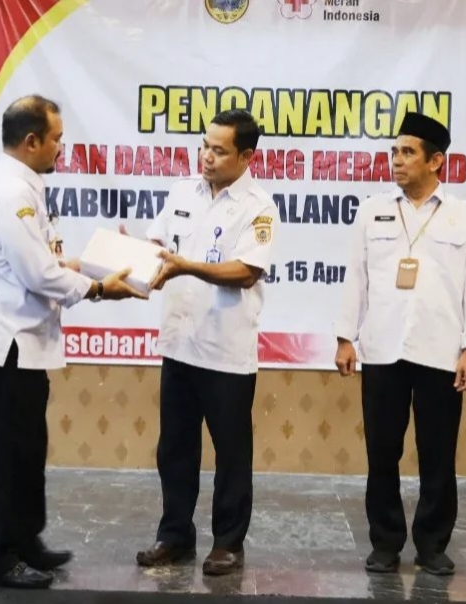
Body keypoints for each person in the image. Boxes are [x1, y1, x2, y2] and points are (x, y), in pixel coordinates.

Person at [0, 94, 146, 590]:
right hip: (1, 339)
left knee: (27, 445)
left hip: (19, 339)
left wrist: (90, 264)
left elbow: (45, 260)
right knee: (6, 451)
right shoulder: (9, 192)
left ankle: (25, 540)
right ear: (32, 140)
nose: (62, 147)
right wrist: (98, 288)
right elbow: (37, 274)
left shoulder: (24, 186)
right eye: (57, 138)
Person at [333, 112, 466, 576]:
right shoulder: (372, 211)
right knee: (382, 452)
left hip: (440, 352)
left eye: (407, 152)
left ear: (435, 160)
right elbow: (356, 277)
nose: (397, 161)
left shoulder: (465, 217)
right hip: (383, 349)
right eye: (394, 152)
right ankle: (385, 543)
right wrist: (345, 337)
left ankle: (432, 544)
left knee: (437, 454)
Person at [132, 109, 279, 576]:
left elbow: (246, 271)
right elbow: (157, 248)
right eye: (204, 146)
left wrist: (186, 266)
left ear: (246, 156)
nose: (207, 157)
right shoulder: (182, 192)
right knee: (174, 450)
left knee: (231, 454)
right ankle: (174, 535)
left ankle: (228, 543)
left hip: (225, 352)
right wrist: (131, 252)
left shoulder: (259, 206)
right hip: (179, 344)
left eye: (218, 150)